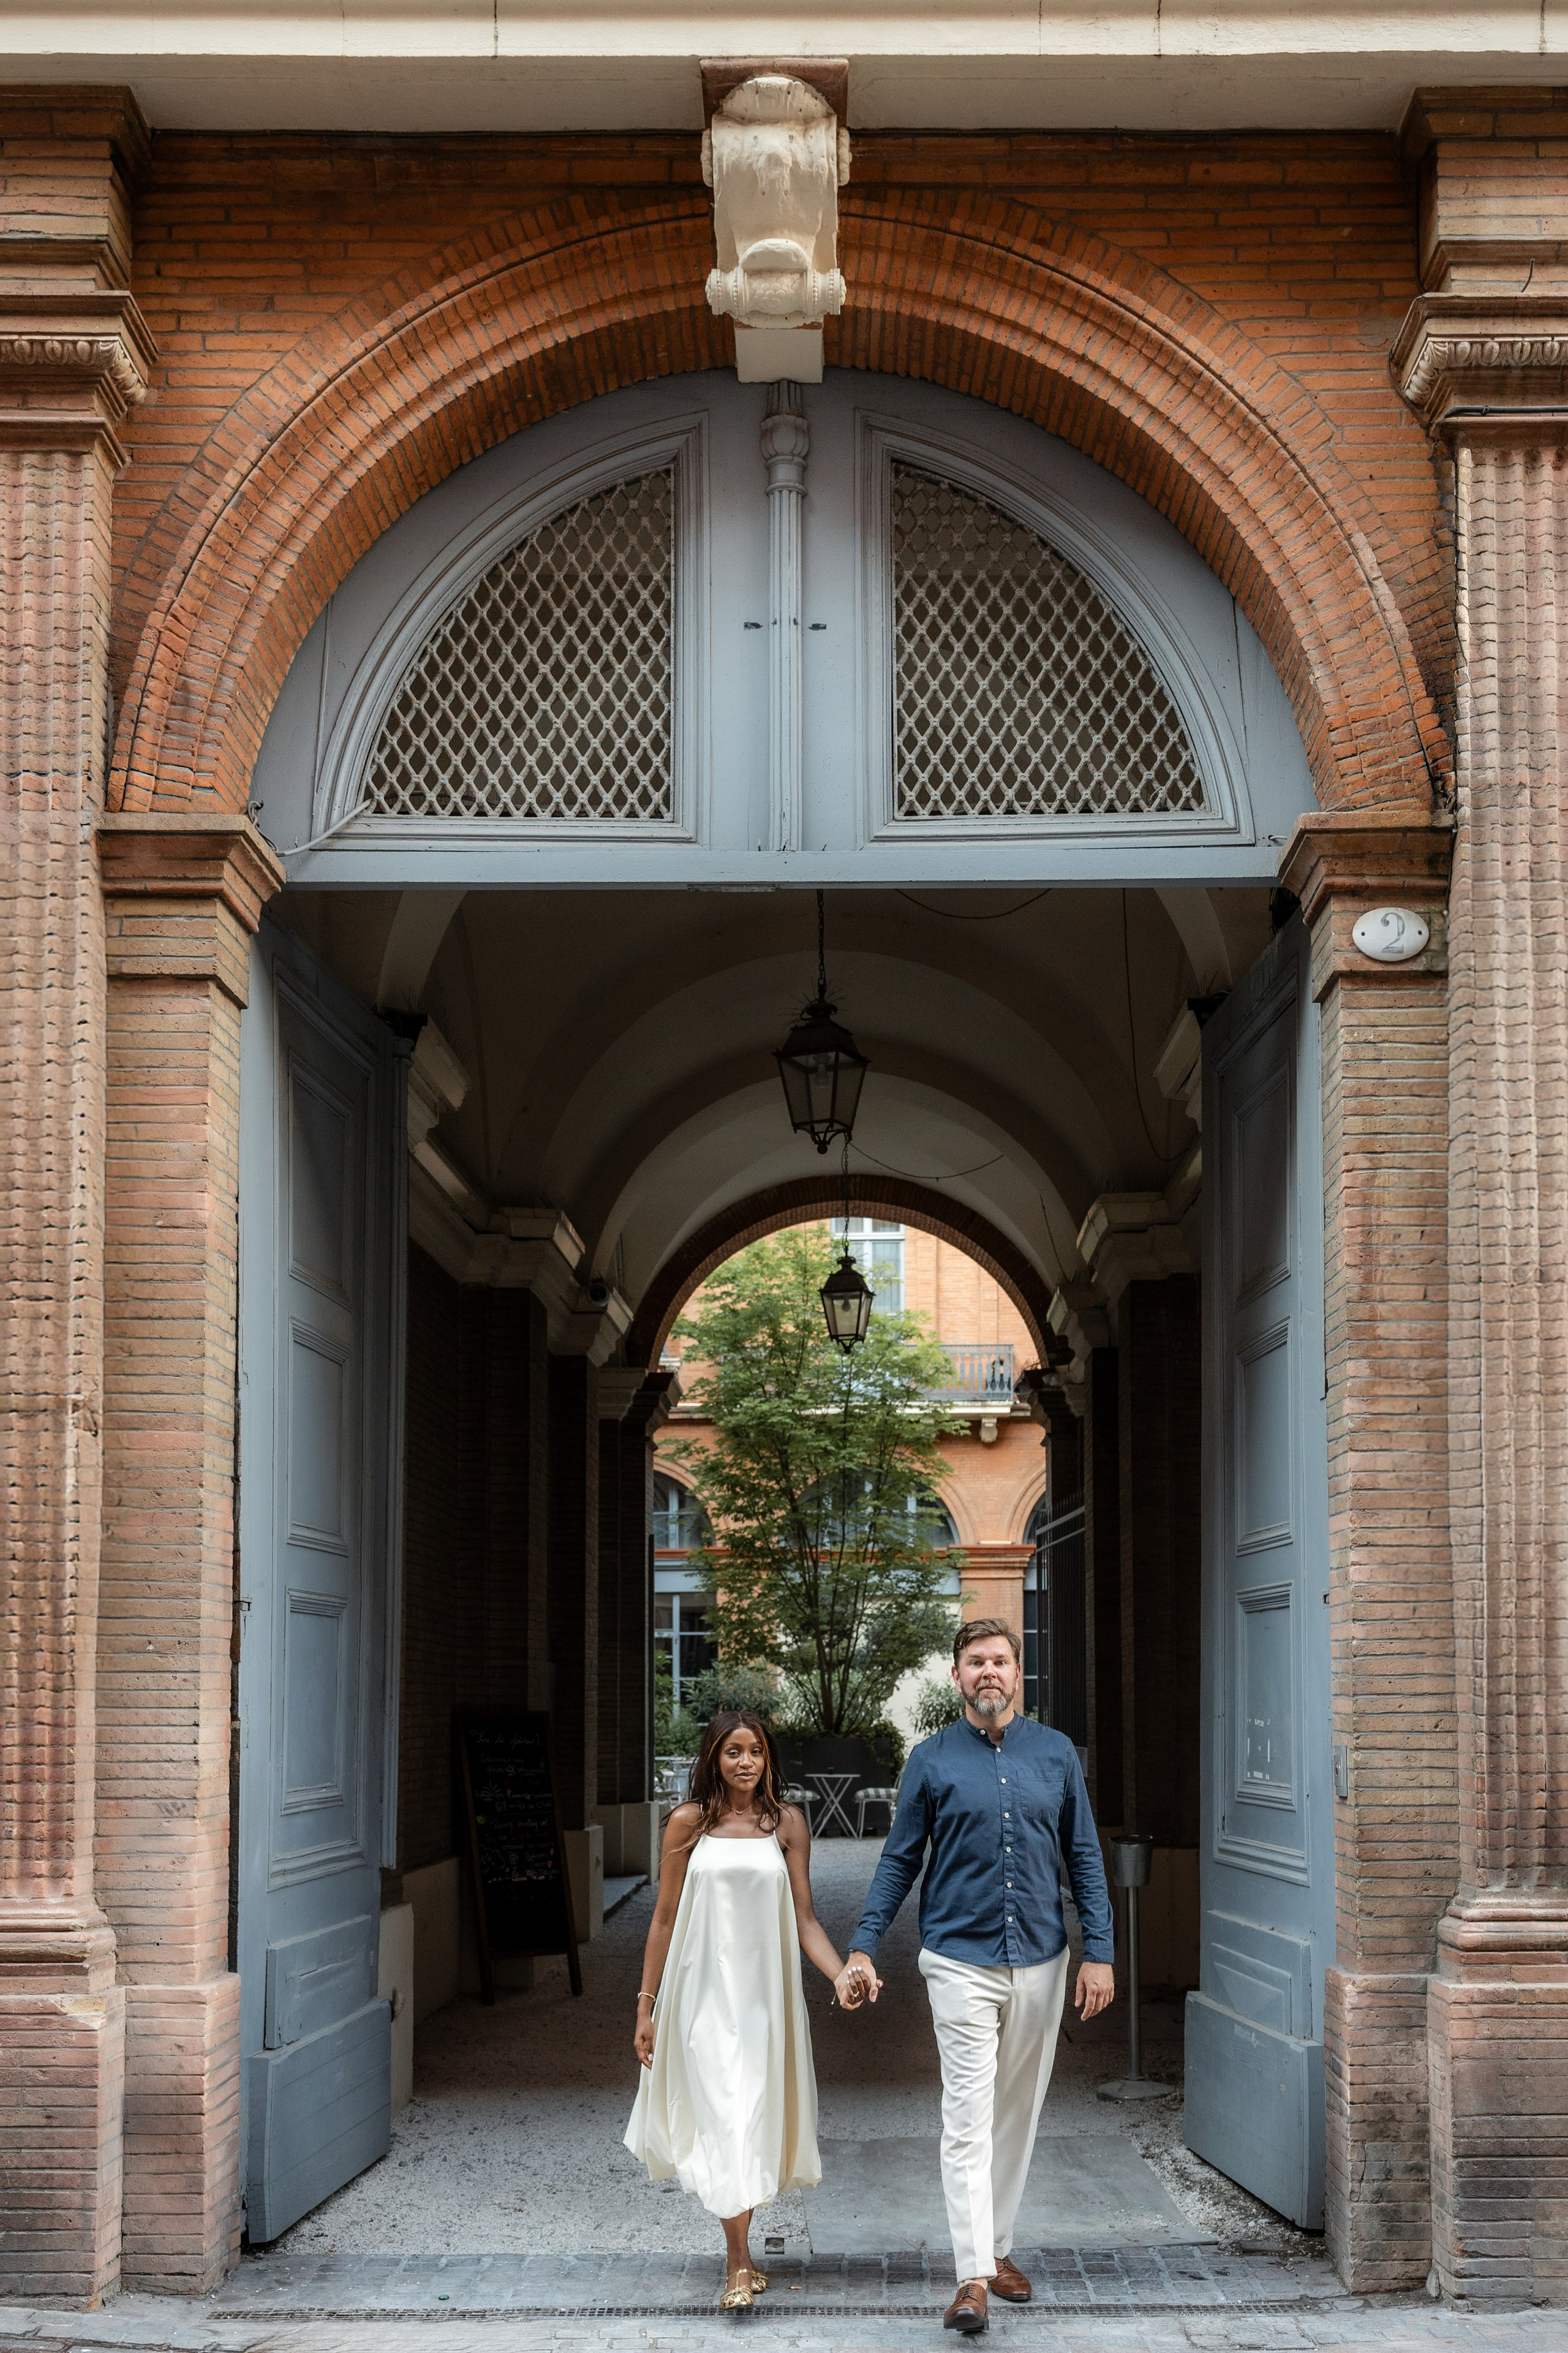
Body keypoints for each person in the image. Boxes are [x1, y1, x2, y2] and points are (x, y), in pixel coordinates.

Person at [832, 1618, 1116, 2336]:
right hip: (958, 1960)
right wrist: (863, 1946)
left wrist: (1101, 1950)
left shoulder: (1055, 1755)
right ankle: (969, 2278)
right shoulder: (929, 1760)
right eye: (974, 1661)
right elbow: (900, 1859)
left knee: (1016, 2111)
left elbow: (1082, 1856)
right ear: (956, 1676)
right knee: (966, 2114)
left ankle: (996, 2247)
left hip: (1044, 1960)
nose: (988, 1671)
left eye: (999, 1660)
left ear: (1019, 1674)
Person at [625, 1707, 851, 2310]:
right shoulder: (686, 1824)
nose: (745, 1761)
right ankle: (737, 2261)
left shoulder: (787, 1825)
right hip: (699, 1997)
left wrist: (841, 1972)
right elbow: (664, 1918)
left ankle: (741, 2255)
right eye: (733, 1751)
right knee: (723, 2115)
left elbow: (805, 1918)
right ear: (713, 1759)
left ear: (768, 1757)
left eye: (755, 1750)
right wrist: (645, 2007)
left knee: (750, 2115)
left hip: (762, 2002)